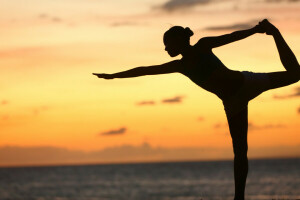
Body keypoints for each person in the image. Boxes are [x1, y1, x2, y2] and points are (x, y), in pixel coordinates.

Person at [93, 19, 299, 200]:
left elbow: (231, 37)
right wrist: (114, 76)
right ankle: (239, 198)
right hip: (231, 102)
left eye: (167, 44)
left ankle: (275, 33)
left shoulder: (203, 46)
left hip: (246, 83)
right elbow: (146, 71)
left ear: (178, 41)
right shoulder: (180, 66)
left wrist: (255, 30)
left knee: (296, 74)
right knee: (240, 151)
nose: (165, 49)